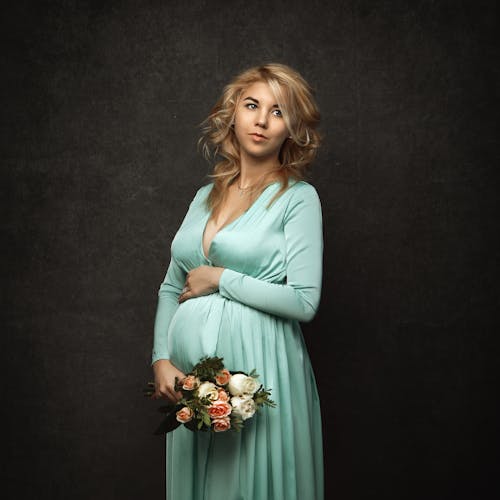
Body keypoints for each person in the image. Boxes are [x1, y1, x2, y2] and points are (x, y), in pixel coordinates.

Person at [151, 62, 324, 500]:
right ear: (233, 112)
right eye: (252, 105)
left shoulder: (298, 199)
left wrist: (221, 278)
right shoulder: (203, 197)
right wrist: (161, 359)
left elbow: (304, 301)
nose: (262, 120)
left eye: (277, 111)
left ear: (292, 129)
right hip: (192, 384)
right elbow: (172, 286)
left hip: (261, 369)